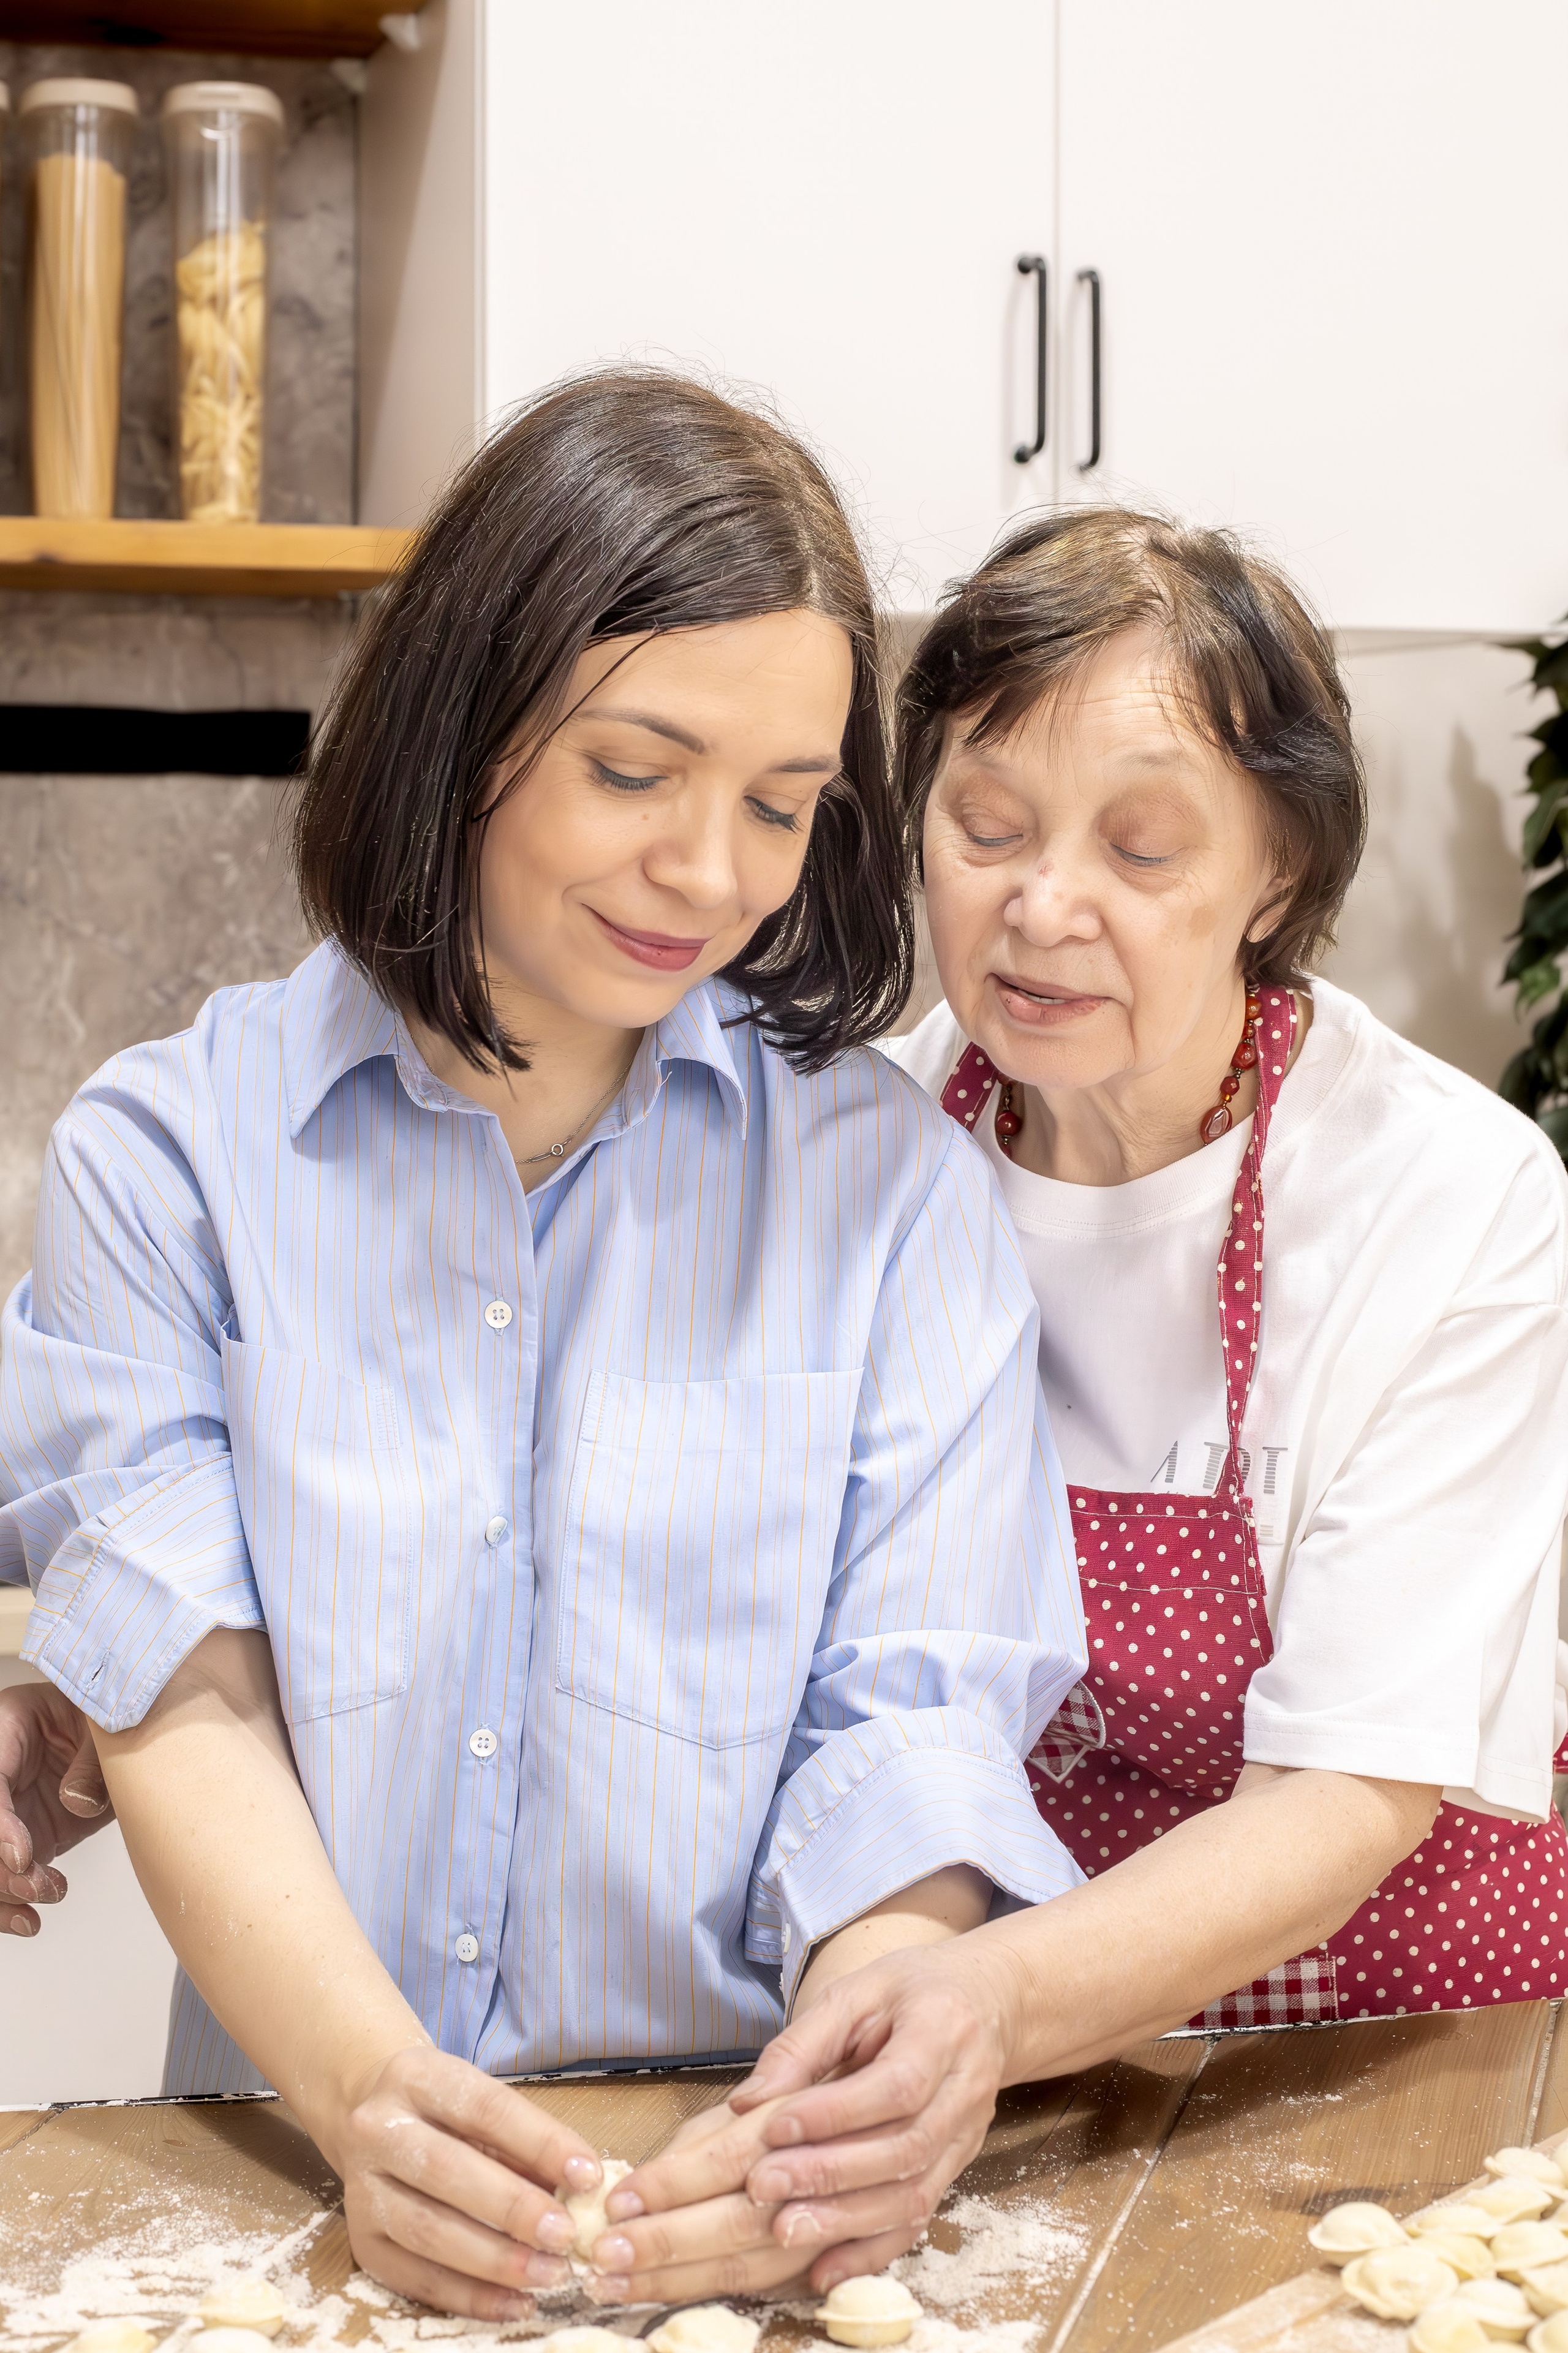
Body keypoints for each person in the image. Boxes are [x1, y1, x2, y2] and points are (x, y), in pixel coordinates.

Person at [0, 374, 1087, 2317]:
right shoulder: (168, 1163)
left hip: (733, 2189)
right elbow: (186, 1696)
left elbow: (907, 1727)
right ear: (466, 720)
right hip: (292, 2172)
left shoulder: (889, 1197)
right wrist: (372, 2099)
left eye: (781, 803)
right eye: (636, 770)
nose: (712, 873)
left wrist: (840, 2092)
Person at [595, 507, 1568, 2298]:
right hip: (1010, 2095)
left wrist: (977, 2002)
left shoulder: (1448, 1194)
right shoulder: (866, 1153)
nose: (1043, 908)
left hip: (1390, 2076)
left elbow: (1348, 1793)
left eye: (1143, 847)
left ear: (1277, 870)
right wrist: (906, 2014)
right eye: (986, 828)